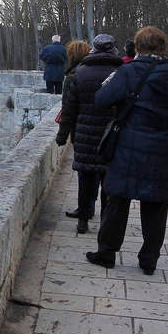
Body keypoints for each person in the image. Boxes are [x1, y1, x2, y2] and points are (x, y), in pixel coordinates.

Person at [86, 26, 168, 275]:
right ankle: (149, 259)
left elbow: (101, 100)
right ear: (162, 47)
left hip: (129, 145)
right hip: (163, 148)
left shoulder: (129, 71)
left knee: (118, 199)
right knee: (155, 205)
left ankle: (107, 253)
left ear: (138, 47)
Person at [56, 35, 124, 233]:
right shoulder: (121, 73)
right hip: (112, 136)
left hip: (85, 133)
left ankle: (83, 221)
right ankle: (106, 223)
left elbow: (69, 109)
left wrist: (62, 135)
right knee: (108, 182)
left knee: (85, 179)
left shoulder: (80, 73)